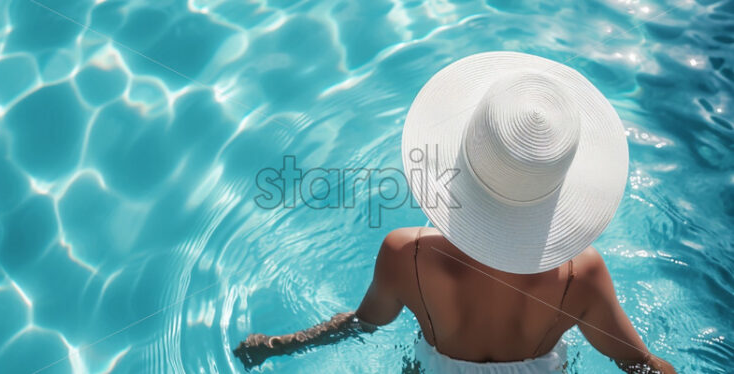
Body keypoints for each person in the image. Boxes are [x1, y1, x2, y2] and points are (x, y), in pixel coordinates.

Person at [235, 52, 677, 373]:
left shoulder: (406, 254)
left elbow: (362, 325)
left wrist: (278, 346)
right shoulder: (581, 274)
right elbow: (638, 365)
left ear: (461, 164)